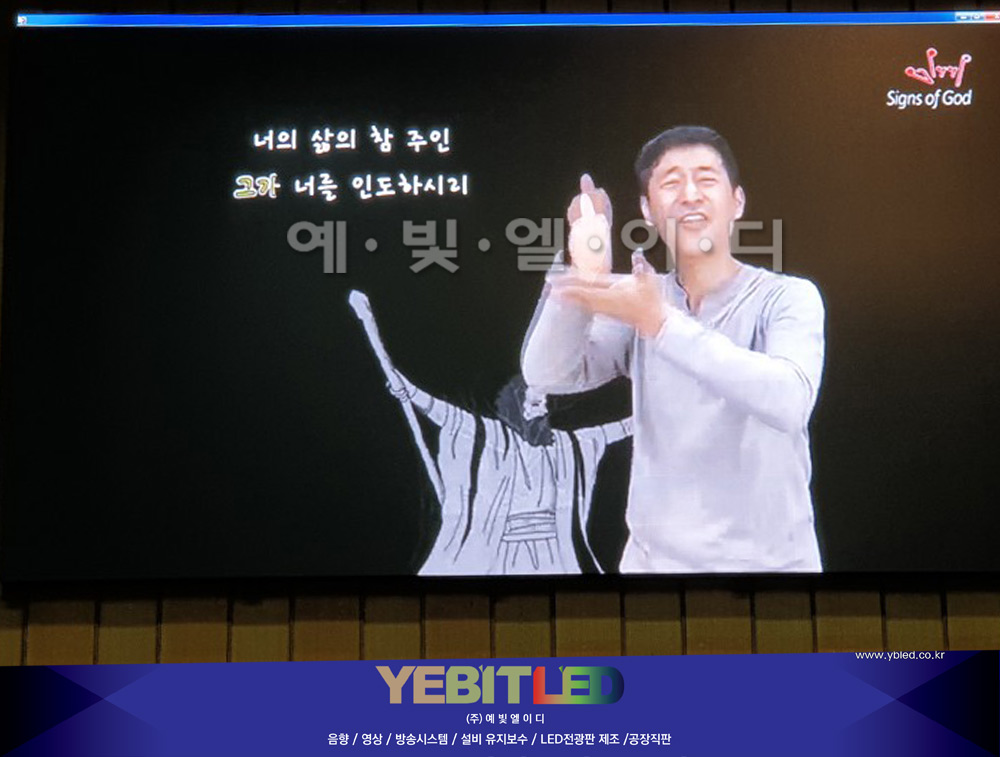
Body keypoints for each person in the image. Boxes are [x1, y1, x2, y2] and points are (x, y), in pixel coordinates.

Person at [521, 125, 825, 573]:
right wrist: (584, 271)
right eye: (671, 183)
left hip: (772, 575)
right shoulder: (645, 297)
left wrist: (661, 324)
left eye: (706, 179)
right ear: (648, 210)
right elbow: (547, 374)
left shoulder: (786, 297)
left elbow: (789, 401)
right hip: (652, 572)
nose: (690, 195)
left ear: (737, 201)